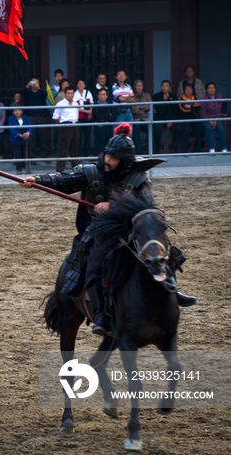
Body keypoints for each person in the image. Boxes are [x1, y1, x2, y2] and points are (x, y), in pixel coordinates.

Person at [21, 123, 197, 336]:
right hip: (97, 233)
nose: (107, 160)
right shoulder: (93, 172)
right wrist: (38, 180)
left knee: (158, 250)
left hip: (128, 232)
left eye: (113, 158)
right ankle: (102, 313)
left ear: (124, 162)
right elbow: (65, 180)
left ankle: (171, 289)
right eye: (107, 155)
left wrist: (111, 206)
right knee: (94, 263)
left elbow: (148, 208)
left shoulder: (137, 179)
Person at [52, 86, 80, 172]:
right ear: (65, 94)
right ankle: (60, 170)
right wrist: (61, 126)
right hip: (65, 125)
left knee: (74, 147)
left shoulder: (76, 103)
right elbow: (55, 117)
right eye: (68, 93)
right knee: (63, 148)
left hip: (75, 124)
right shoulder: (60, 104)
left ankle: (76, 168)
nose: (70, 95)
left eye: (72, 93)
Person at [21, 78, 51, 158]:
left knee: (43, 136)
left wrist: (39, 88)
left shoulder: (41, 92)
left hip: (41, 117)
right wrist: (27, 86)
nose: (35, 84)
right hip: (31, 117)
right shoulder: (28, 92)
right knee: (32, 137)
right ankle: (32, 155)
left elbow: (45, 95)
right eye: (33, 83)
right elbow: (22, 94)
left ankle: (44, 155)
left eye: (36, 82)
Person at [173, 83, 203, 154]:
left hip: (194, 117)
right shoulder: (181, 99)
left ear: (192, 90)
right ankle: (185, 151)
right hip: (184, 117)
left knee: (200, 129)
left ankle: (196, 150)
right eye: (186, 89)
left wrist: (190, 106)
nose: (188, 91)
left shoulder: (195, 98)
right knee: (185, 130)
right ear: (184, 90)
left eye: (190, 89)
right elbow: (182, 109)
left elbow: (198, 107)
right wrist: (192, 106)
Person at [199, 82, 228, 153]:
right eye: (209, 88)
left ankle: (224, 148)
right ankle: (212, 148)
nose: (211, 89)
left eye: (213, 88)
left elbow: (222, 107)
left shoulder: (219, 96)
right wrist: (209, 121)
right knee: (209, 129)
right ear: (206, 90)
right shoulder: (204, 99)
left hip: (217, 118)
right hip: (207, 119)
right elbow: (203, 112)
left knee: (220, 129)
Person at [152, 80, 176, 154]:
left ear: (169, 87)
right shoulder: (156, 96)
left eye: (166, 86)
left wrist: (171, 121)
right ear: (161, 87)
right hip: (160, 118)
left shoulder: (173, 96)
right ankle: (158, 148)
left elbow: (175, 110)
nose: (164, 88)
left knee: (179, 129)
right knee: (157, 130)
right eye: (163, 86)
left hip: (171, 119)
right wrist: (164, 100)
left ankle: (173, 147)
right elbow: (157, 109)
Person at [92, 88, 117, 156]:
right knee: (99, 145)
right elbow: (98, 116)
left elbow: (114, 116)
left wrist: (104, 116)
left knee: (109, 145)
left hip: (109, 127)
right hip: (99, 127)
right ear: (97, 96)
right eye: (100, 94)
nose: (102, 96)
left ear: (107, 96)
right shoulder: (95, 105)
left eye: (103, 94)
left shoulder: (110, 104)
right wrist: (108, 115)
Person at [7, 107, 32, 174]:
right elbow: (11, 129)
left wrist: (28, 133)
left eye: (19, 110)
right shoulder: (11, 118)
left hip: (25, 139)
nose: (17, 112)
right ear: (13, 112)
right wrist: (18, 134)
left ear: (22, 111)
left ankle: (26, 166)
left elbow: (30, 126)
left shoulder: (25, 117)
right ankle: (19, 169)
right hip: (16, 139)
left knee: (25, 154)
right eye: (15, 110)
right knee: (17, 154)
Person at [130, 80, 152, 155]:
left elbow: (150, 106)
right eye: (137, 86)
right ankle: (139, 152)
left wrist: (140, 107)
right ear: (134, 87)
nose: (139, 88)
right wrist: (143, 108)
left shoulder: (147, 95)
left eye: (140, 86)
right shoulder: (131, 96)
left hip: (146, 119)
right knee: (135, 131)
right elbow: (133, 110)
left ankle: (149, 151)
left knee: (151, 130)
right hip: (136, 119)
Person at [73, 79, 93, 159]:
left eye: (82, 83)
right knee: (79, 137)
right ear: (77, 85)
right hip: (79, 117)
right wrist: (86, 111)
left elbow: (92, 103)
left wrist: (90, 112)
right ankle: (79, 153)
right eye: (79, 83)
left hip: (88, 117)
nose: (81, 85)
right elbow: (76, 107)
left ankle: (86, 154)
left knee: (87, 137)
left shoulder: (88, 93)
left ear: (85, 85)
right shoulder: (74, 94)